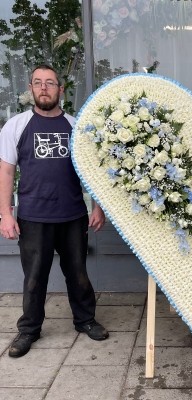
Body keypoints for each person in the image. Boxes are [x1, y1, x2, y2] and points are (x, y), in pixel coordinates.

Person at [0, 64, 109, 358]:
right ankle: (29, 330)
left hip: (73, 215)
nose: (44, 88)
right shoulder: (16, 126)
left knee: (78, 274)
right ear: (31, 89)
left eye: (50, 83)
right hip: (33, 217)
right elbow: (6, 172)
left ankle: (85, 320)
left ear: (61, 90)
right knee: (34, 278)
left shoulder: (76, 126)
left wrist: (97, 206)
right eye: (38, 83)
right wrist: (6, 213)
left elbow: (93, 172)